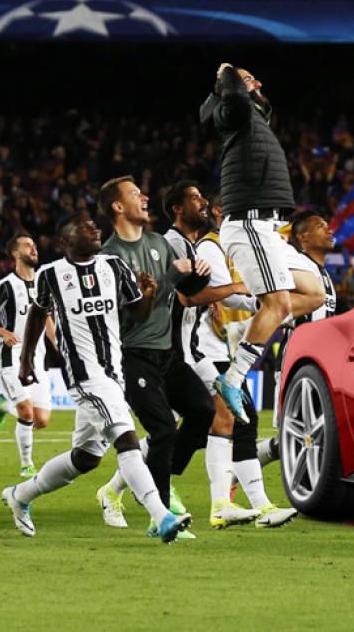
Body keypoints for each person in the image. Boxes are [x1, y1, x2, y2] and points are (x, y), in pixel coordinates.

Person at [0, 212, 191, 543]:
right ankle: (161, 516)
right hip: (85, 376)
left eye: (93, 226)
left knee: (86, 458)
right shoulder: (50, 275)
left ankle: (20, 495)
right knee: (127, 439)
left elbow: (137, 313)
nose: (94, 229)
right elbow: (38, 314)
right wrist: (27, 359)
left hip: (114, 373)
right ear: (66, 241)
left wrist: (147, 294)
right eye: (84, 228)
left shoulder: (114, 266)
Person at [200, 63, 325, 427]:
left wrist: (238, 83)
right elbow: (226, 105)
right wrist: (226, 74)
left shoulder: (252, 118)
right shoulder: (234, 114)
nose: (258, 82)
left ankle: (251, 326)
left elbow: (259, 106)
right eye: (249, 78)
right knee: (280, 302)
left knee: (314, 292)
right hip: (249, 221)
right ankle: (233, 378)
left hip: (267, 226)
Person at [94, 176, 215, 534]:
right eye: (135, 194)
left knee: (203, 410)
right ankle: (159, 515)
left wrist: (199, 276)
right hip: (133, 356)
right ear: (118, 207)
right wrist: (172, 276)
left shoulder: (159, 243)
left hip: (167, 354)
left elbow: (183, 290)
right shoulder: (109, 258)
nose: (145, 197)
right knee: (162, 430)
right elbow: (132, 311)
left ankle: (155, 478)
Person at [159, 181, 270, 530]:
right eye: (195, 198)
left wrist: (224, 299)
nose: (203, 202)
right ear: (177, 208)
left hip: (192, 348)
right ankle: (152, 481)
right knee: (200, 416)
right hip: (174, 351)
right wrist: (231, 290)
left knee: (222, 414)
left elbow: (196, 297)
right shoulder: (172, 244)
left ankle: (223, 504)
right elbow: (185, 297)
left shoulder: (194, 244)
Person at [254, 211, 338, 501]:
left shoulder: (324, 274)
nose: (329, 229)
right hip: (297, 360)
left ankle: (247, 463)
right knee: (298, 435)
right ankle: (309, 496)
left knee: (314, 434)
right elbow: (274, 303)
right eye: (321, 226)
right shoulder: (296, 266)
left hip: (323, 365)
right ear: (303, 237)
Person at [0, 233, 57, 476]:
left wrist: (58, 344)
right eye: (27, 245)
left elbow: (47, 318)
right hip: (11, 357)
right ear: (15, 254)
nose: (34, 248)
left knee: (41, 420)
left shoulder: (44, 283)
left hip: (37, 359)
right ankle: (26, 465)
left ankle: (4, 405)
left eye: (34, 245)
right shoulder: (4, 286)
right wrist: (3, 332)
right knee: (26, 411)